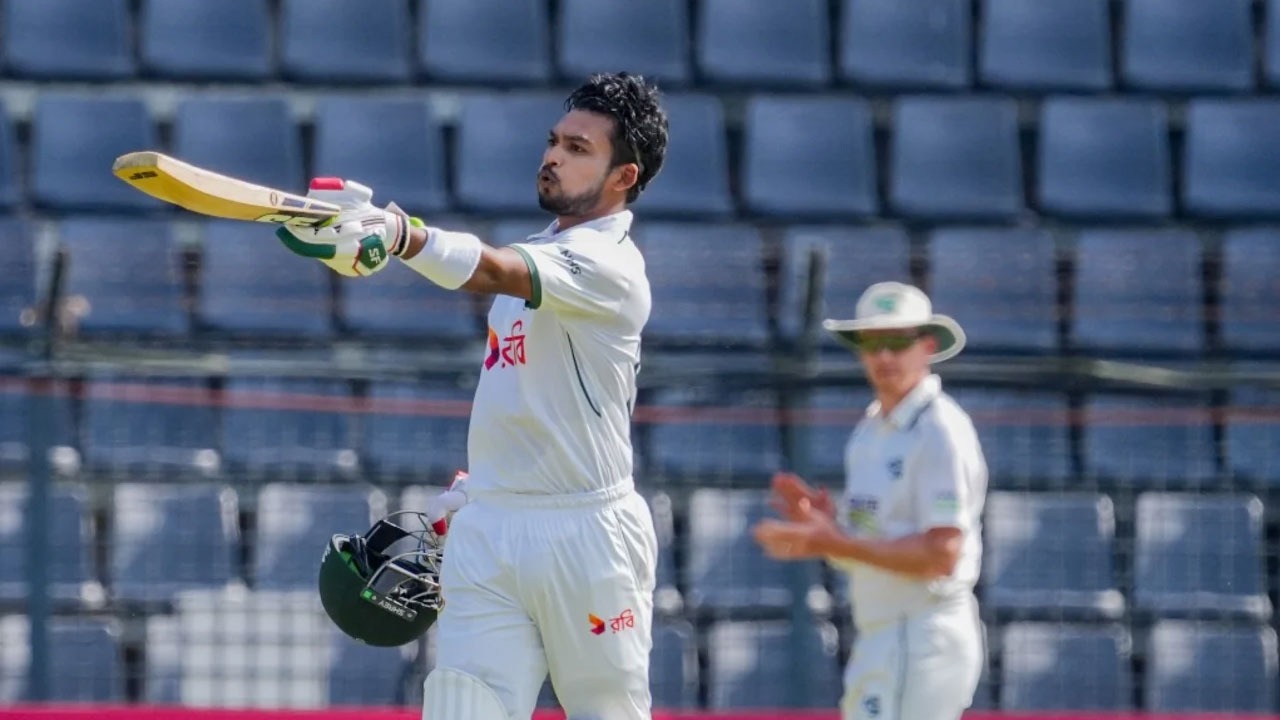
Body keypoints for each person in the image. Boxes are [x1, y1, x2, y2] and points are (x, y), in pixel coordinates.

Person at [277, 72, 669, 720]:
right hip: (491, 528)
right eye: (554, 141)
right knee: (463, 706)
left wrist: (398, 233)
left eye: (577, 148)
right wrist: (483, 487)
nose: (553, 156)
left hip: (590, 535)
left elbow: (489, 268)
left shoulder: (611, 268)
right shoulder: (542, 253)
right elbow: (522, 392)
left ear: (623, 176)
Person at [752, 281, 987, 720]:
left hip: (924, 633)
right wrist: (826, 524)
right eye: (872, 343)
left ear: (927, 346)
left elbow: (941, 555)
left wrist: (832, 542)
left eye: (898, 342)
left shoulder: (940, 429)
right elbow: (868, 541)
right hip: (881, 633)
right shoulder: (868, 431)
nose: (884, 357)